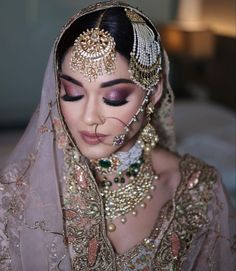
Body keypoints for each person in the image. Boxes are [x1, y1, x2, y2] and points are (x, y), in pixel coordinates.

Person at [0, 1, 235, 270]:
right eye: (72, 93)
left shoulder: (199, 191)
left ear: (153, 92)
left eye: (114, 97)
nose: (89, 117)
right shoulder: (17, 193)